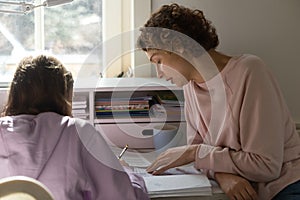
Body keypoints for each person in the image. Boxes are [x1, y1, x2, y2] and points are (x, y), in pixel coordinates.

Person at [137, 3, 300, 200]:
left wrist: (194, 153)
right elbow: (202, 157)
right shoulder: (190, 85)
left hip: (285, 185)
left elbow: (266, 166)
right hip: (241, 187)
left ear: (179, 46)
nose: (159, 73)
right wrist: (223, 176)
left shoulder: (250, 71)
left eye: (159, 61)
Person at [0, 55, 149, 200]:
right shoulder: (78, 132)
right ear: (65, 95)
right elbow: (124, 196)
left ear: (14, 93)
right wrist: (126, 172)